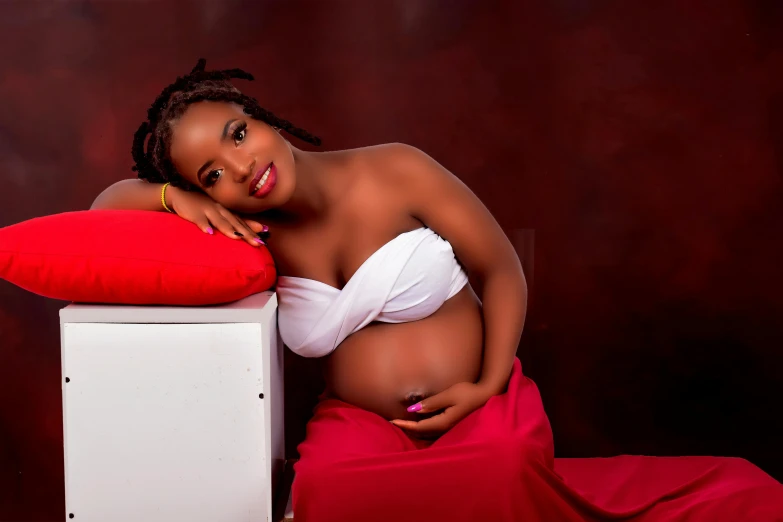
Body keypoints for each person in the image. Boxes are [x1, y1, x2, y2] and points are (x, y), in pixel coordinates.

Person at [91, 59, 783, 522]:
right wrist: (165, 196)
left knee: (501, 468)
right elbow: (101, 213)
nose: (243, 167)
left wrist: (485, 385)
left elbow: (500, 268)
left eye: (239, 133)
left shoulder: (396, 170)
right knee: (320, 491)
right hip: (361, 424)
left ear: (260, 115)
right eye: (211, 174)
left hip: (477, 400)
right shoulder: (251, 230)